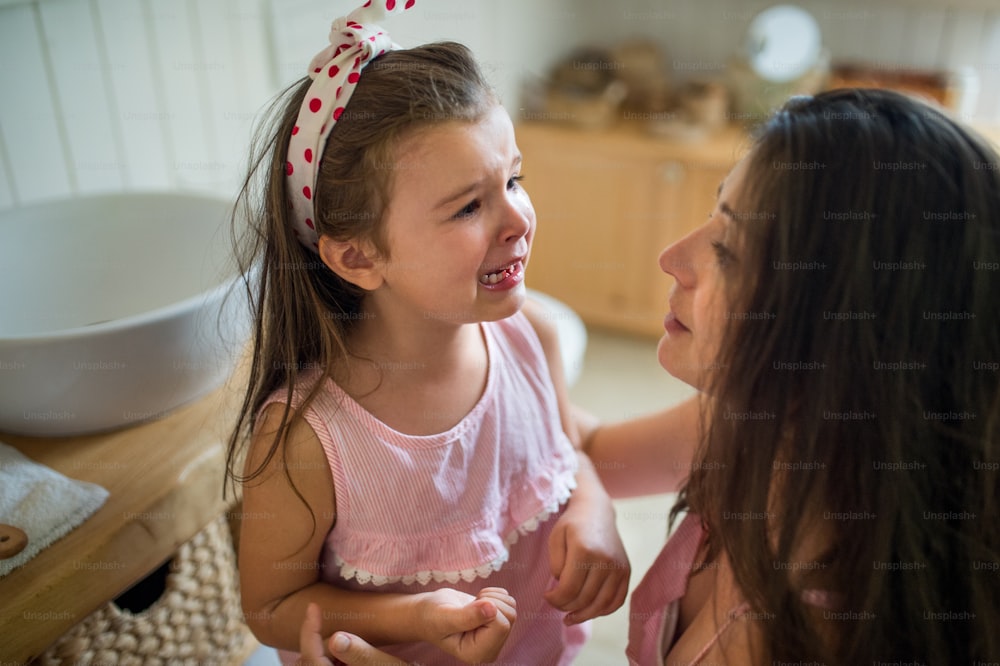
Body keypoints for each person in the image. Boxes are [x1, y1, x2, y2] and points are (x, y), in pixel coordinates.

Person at [307, 88, 1000, 664]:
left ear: (846, 331)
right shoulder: (764, 424)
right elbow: (578, 447)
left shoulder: (826, 633)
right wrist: (585, 493)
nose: (674, 257)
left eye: (727, 249)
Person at [225, 2, 630, 665]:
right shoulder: (308, 439)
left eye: (514, 179)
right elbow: (271, 608)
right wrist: (413, 615)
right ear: (358, 256)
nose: (518, 220)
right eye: (469, 205)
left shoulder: (536, 337)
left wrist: (595, 508)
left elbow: (568, 449)